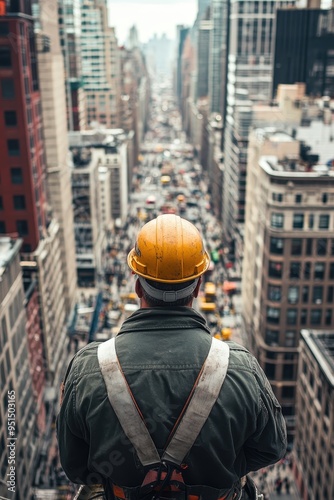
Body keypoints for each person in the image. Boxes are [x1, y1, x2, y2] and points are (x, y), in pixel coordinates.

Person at [57, 214, 287, 500]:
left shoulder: (88, 369)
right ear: (198, 286)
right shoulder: (241, 369)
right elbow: (272, 447)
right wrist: (220, 469)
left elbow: (77, 468)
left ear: (138, 285)